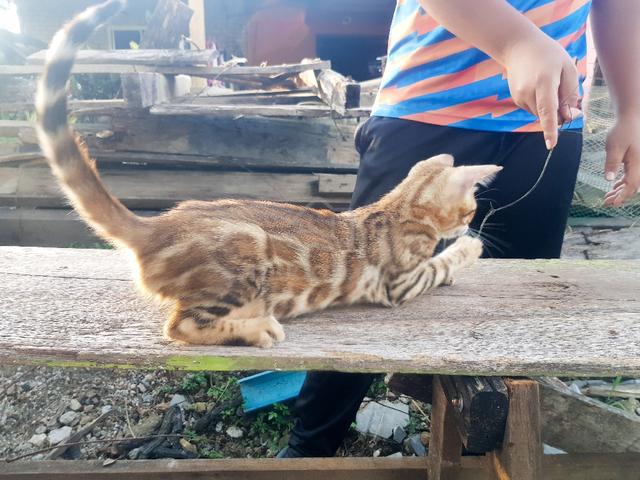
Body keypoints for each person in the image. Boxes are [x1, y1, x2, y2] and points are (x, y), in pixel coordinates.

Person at [278, 0, 640, 458]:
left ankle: (482, 457)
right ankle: (309, 450)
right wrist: (516, 41)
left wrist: (632, 109)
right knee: (363, 292)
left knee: (515, 313)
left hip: (550, 122)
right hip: (429, 106)